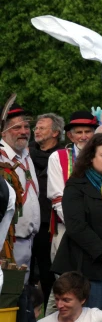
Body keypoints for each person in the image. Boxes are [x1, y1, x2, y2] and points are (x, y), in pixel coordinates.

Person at [51, 134, 102, 311]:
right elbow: (76, 226)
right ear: (91, 157)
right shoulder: (76, 185)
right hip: (89, 266)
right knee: (92, 321)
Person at [47, 111, 98, 281]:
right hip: (66, 228)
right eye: (79, 132)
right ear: (70, 135)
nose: (84, 136)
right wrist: (78, 227)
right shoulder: (58, 157)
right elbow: (57, 197)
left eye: (88, 131)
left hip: (99, 231)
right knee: (66, 283)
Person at [0, 102, 40, 281]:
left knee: (22, 292)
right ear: (4, 132)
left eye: (26, 126)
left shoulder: (25, 154)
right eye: (17, 128)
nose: (24, 131)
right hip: (7, 241)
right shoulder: (1, 157)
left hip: (28, 240)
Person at [30, 113, 65, 302]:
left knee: (48, 271)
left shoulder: (63, 157)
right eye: (36, 127)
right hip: (26, 222)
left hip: (49, 223)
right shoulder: (26, 154)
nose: (36, 130)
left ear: (55, 132)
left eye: (42, 127)